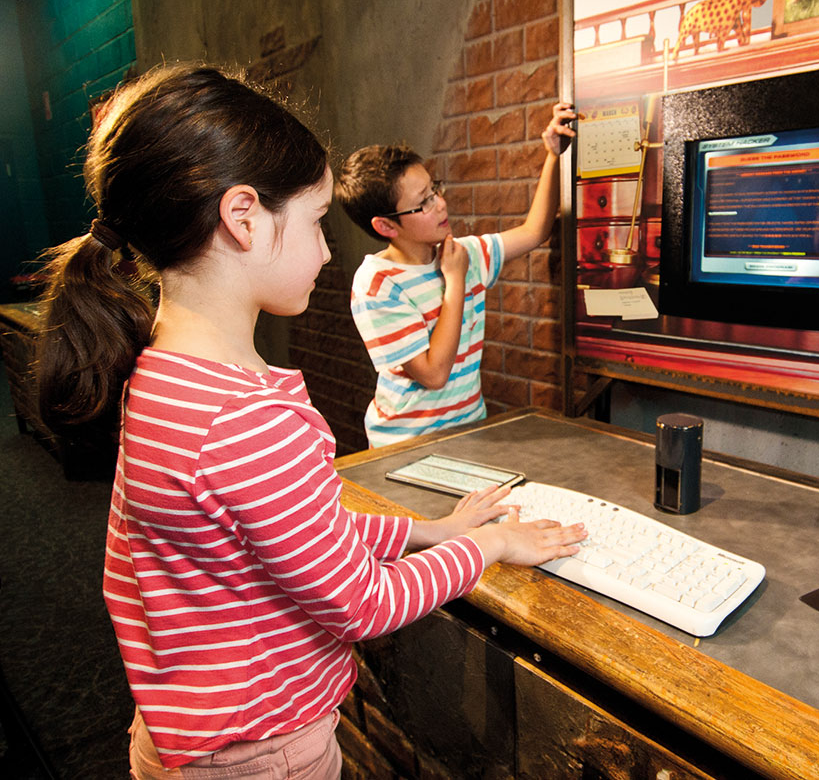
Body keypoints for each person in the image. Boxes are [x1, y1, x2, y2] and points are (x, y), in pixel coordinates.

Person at [34, 63, 585, 779]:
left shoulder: (160, 374)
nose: (328, 250)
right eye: (317, 222)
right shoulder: (250, 417)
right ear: (242, 216)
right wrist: (491, 545)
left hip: (186, 738)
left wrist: (430, 530)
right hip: (263, 754)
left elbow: (291, 533)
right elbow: (361, 600)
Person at [335, 102, 576, 446]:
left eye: (435, 190)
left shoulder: (462, 254)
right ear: (386, 225)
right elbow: (434, 374)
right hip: (405, 444)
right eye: (425, 202)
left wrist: (553, 155)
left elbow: (534, 231)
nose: (441, 204)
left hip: (469, 431)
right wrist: (456, 280)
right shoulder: (377, 283)